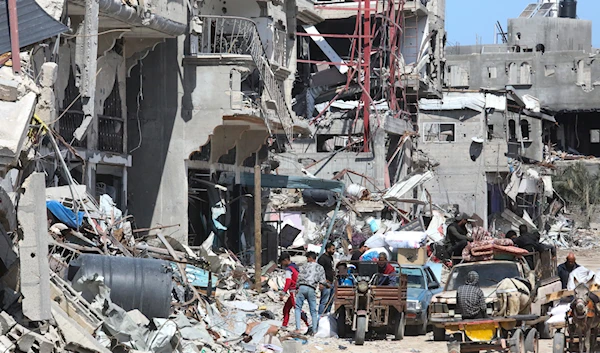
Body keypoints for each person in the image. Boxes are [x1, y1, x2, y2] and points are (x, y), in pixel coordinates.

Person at [296, 251, 326, 335]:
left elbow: (299, 277)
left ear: (309, 258)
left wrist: (296, 287)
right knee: (313, 310)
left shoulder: (303, 266)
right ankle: (314, 330)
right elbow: (322, 281)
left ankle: (298, 328)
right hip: (312, 288)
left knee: (298, 308)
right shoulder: (320, 267)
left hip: (302, 287)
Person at [279, 252, 310, 330]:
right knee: (286, 308)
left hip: (294, 291)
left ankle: (309, 324)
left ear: (285, 260)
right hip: (297, 290)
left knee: (297, 309)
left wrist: (283, 292)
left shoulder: (289, 270)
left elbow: (288, 281)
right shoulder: (295, 267)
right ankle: (284, 325)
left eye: (282, 262)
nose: (282, 264)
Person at [318, 243, 335, 316]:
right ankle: (320, 316)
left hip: (332, 282)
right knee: (324, 301)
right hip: (326, 283)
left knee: (330, 301)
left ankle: (327, 316)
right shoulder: (322, 258)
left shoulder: (330, 258)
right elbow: (319, 271)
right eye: (333, 249)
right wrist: (322, 283)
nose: (334, 251)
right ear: (328, 249)